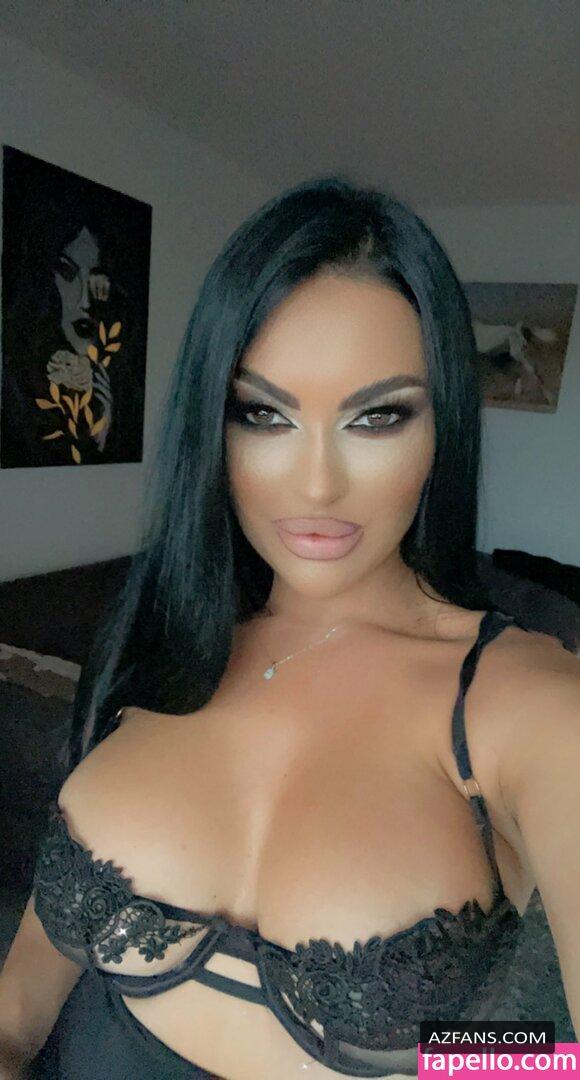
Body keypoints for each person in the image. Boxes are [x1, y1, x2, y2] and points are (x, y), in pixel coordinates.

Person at [0, 176, 578, 1079]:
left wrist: (438, 1063)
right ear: (214, 423)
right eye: (263, 414)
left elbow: (563, 1057)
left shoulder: (528, 703)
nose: (316, 485)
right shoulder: (165, 638)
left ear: (442, 429)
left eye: (377, 416)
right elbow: (15, 1009)